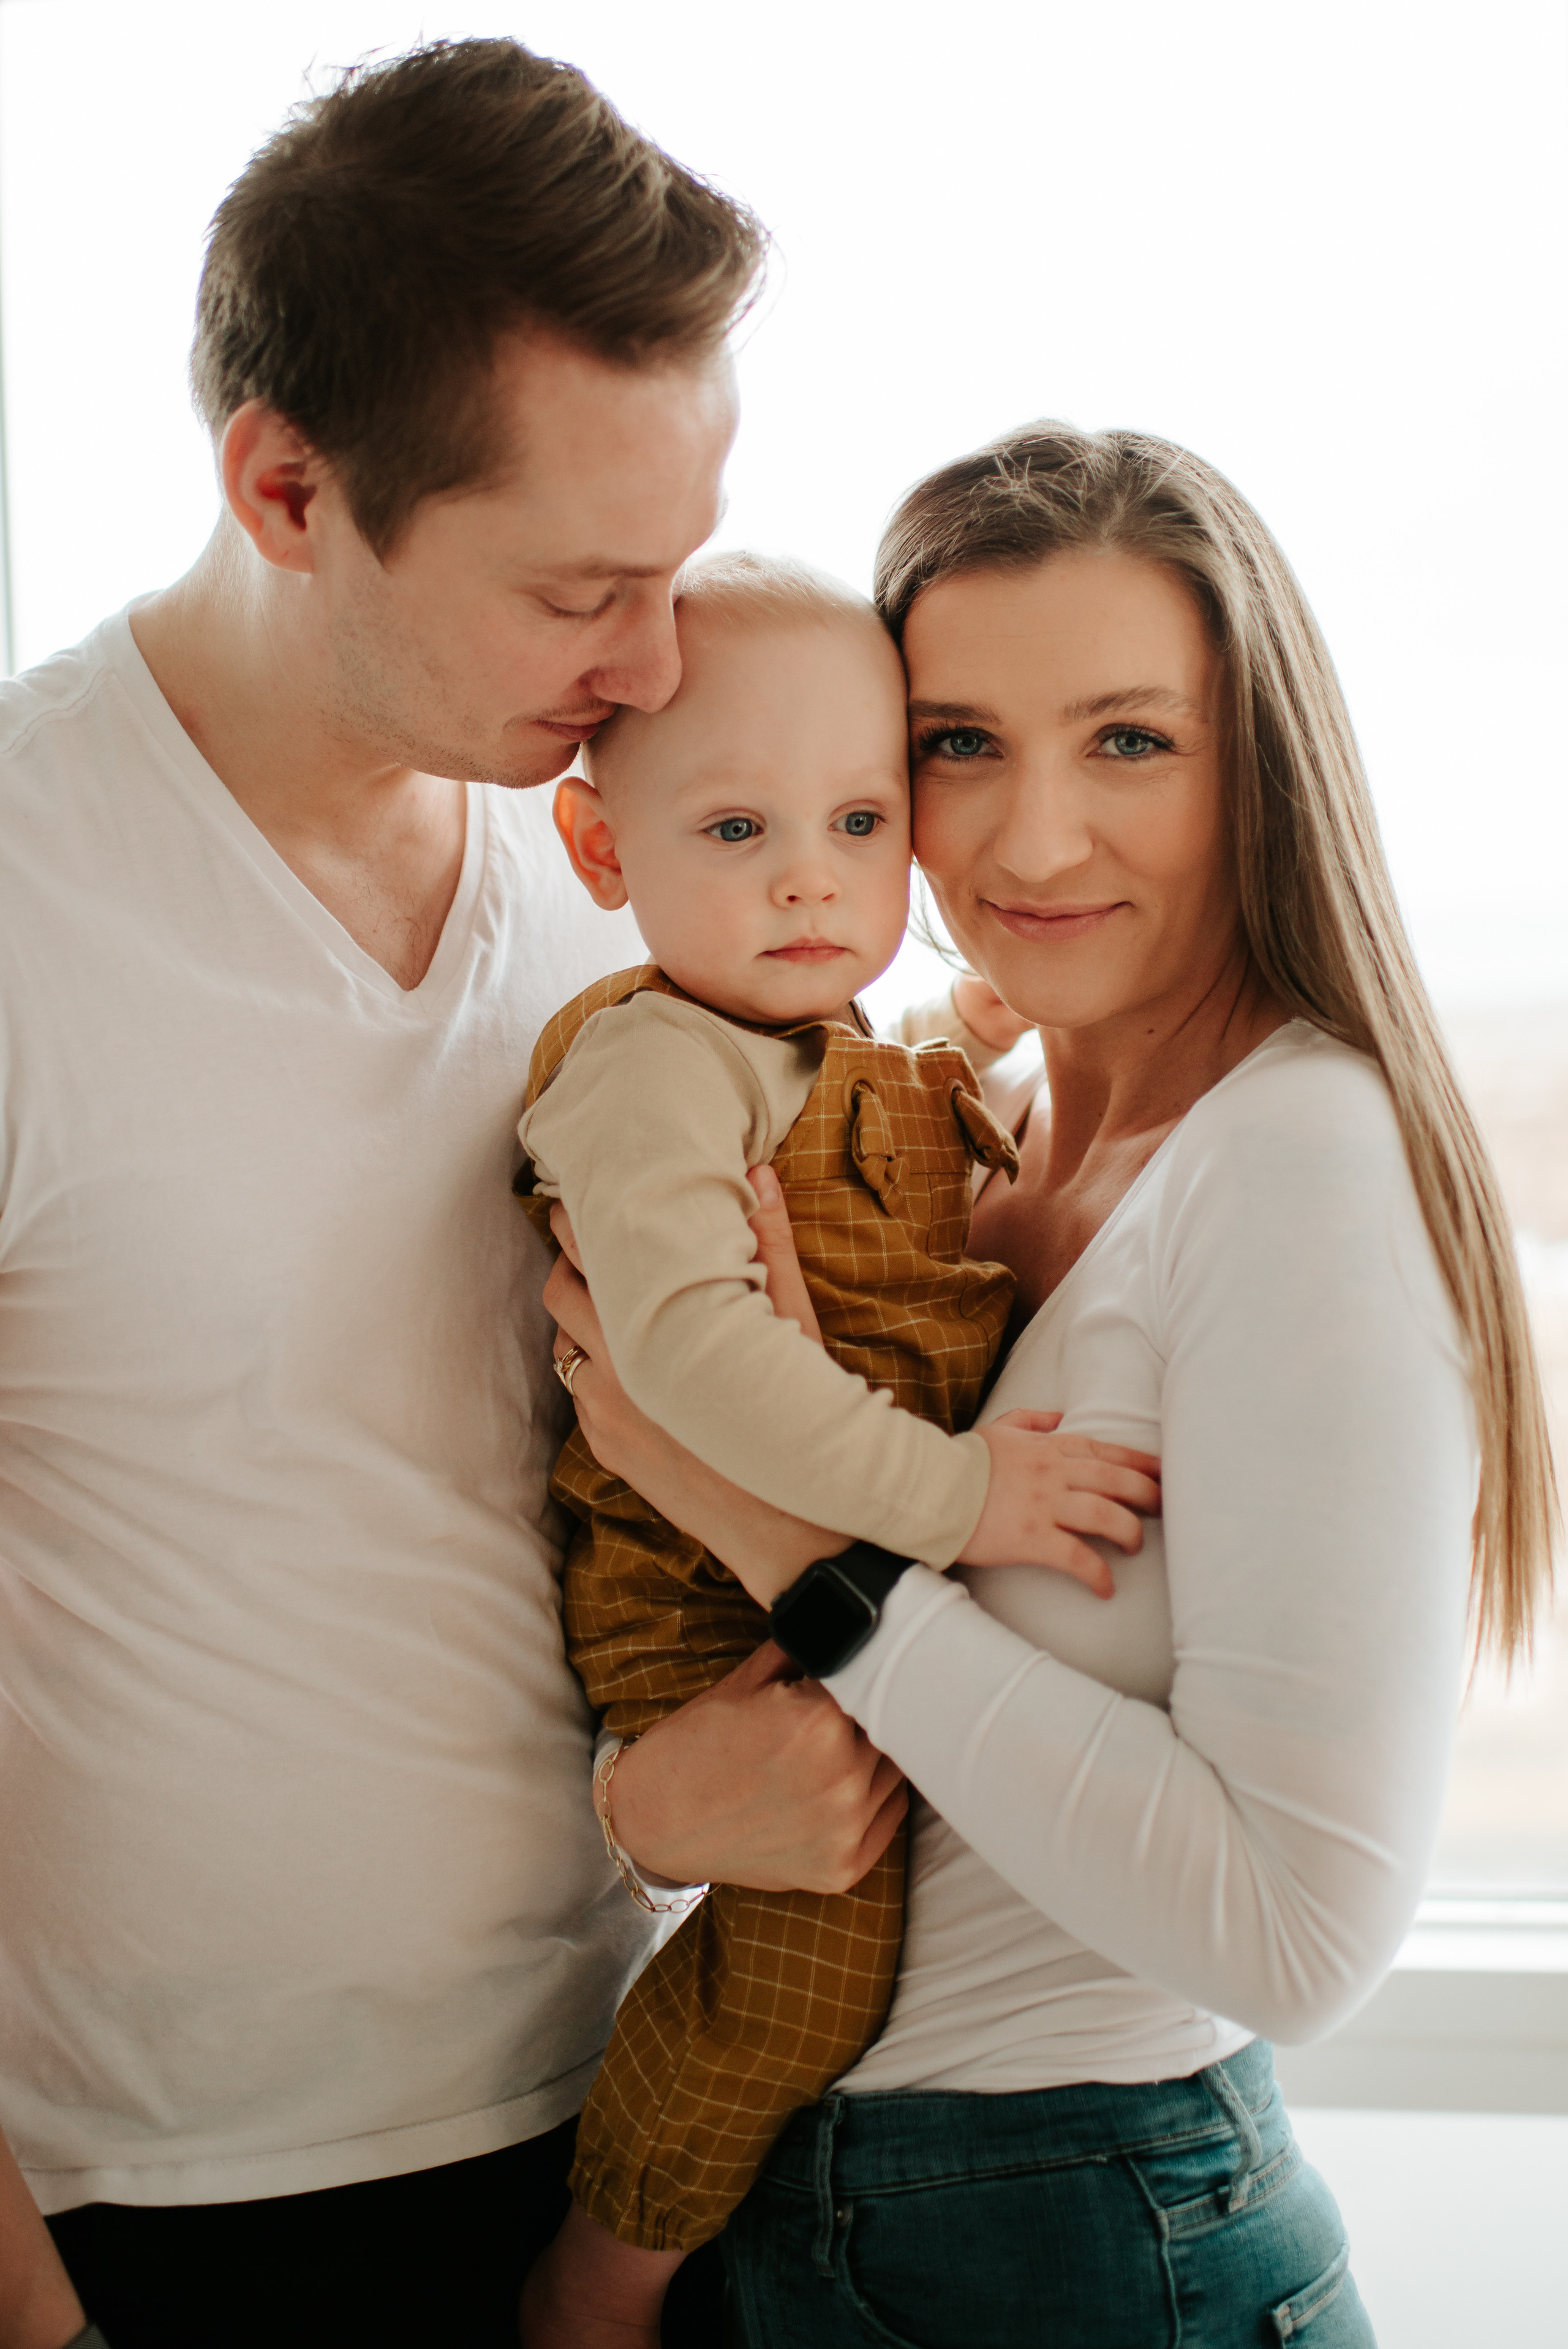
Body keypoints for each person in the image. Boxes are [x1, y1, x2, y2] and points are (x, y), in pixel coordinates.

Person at [0, 39, 906, 2349]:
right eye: (584, 590)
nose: (663, 666)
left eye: (684, 569)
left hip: (637, 2130)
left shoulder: (632, 873)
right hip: (166, 2215)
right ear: (288, 487)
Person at [540, 422, 1559, 2345]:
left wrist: (801, 1553)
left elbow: (1299, 1935)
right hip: (847, 2218)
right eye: (958, 745)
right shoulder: (984, 1139)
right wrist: (654, 1808)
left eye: (1129, 740)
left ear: (1258, 764)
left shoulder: (1304, 1160)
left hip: (1078, 2237)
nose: (1027, 840)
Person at [510, 552, 1159, 2333]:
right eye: (734, 829)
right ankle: (604, 2267)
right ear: (598, 852)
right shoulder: (657, 1062)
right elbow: (689, 1357)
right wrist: (962, 1495)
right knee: (814, 1954)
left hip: (804, 1568)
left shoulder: (817, 1032)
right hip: (699, 1611)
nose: (810, 873)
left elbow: (886, 1152)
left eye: (860, 817)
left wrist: (977, 1037)